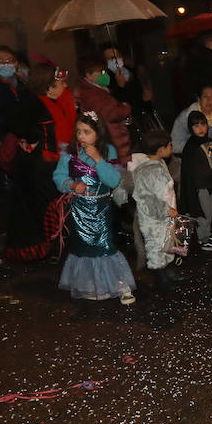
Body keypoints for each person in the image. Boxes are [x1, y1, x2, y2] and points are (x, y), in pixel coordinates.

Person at [53, 111, 136, 304]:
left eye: (87, 132)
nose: (81, 136)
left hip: (101, 208)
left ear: (98, 133)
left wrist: (98, 159)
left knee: (105, 245)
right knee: (84, 247)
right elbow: (58, 175)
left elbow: (113, 180)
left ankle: (120, 284)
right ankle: (91, 284)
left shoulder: (108, 151)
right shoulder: (70, 153)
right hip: (79, 210)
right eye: (78, 131)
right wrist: (72, 185)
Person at [0, 118, 57, 265]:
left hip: (29, 186)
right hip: (29, 186)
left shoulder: (20, 135)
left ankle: (36, 250)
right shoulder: (33, 135)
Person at [129, 128, 183, 290]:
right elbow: (146, 198)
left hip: (166, 214)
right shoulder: (149, 171)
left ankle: (168, 270)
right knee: (156, 246)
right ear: (160, 149)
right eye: (169, 145)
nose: (171, 147)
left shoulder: (158, 164)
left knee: (168, 242)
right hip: (154, 219)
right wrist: (165, 209)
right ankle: (160, 278)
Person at [178, 110, 212, 253]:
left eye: (203, 124)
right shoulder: (191, 146)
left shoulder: (209, 142)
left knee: (209, 211)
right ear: (191, 128)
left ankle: (207, 234)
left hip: (210, 184)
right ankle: (204, 239)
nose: (201, 128)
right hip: (199, 186)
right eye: (196, 125)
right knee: (202, 213)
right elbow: (195, 170)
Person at [72, 57, 133, 165]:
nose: (104, 75)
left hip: (111, 136)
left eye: (105, 71)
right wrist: (125, 108)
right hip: (110, 137)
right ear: (88, 75)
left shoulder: (98, 89)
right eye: (100, 72)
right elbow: (110, 114)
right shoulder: (90, 94)